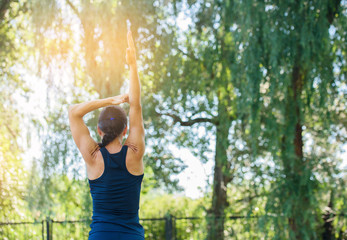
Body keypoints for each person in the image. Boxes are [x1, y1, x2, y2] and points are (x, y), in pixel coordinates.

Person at [68, 31, 145, 240]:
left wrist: (111, 100)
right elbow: (136, 106)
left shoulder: (93, 157)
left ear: (99, 131)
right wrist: (133, 65)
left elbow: (74, 112)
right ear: (125, 130)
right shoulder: (135, 153)